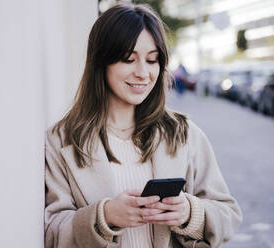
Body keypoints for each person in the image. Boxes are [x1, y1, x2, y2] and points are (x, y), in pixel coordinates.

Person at [45, 3, 242, 248]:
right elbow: (51, 231)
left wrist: (191, 212)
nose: (143, 73)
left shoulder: (184, 134)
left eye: (152, 60)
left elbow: (229, 214)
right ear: (101, 62)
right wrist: (104, 216)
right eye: (129, 59)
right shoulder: (61, 140)